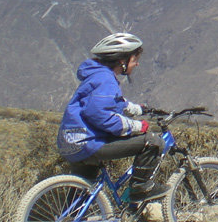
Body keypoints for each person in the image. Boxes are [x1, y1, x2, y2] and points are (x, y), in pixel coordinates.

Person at [57, 32, 169, 202]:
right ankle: (140, 189)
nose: (137, 64)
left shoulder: (97, 75)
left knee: (79, 201)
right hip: (88, 142)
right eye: (134, 59)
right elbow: (100, 115)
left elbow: (114, 102)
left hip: (72, 142)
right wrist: (138, 126)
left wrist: (139, 109)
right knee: (152, 142)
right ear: (122, 61)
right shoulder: (105, 79)